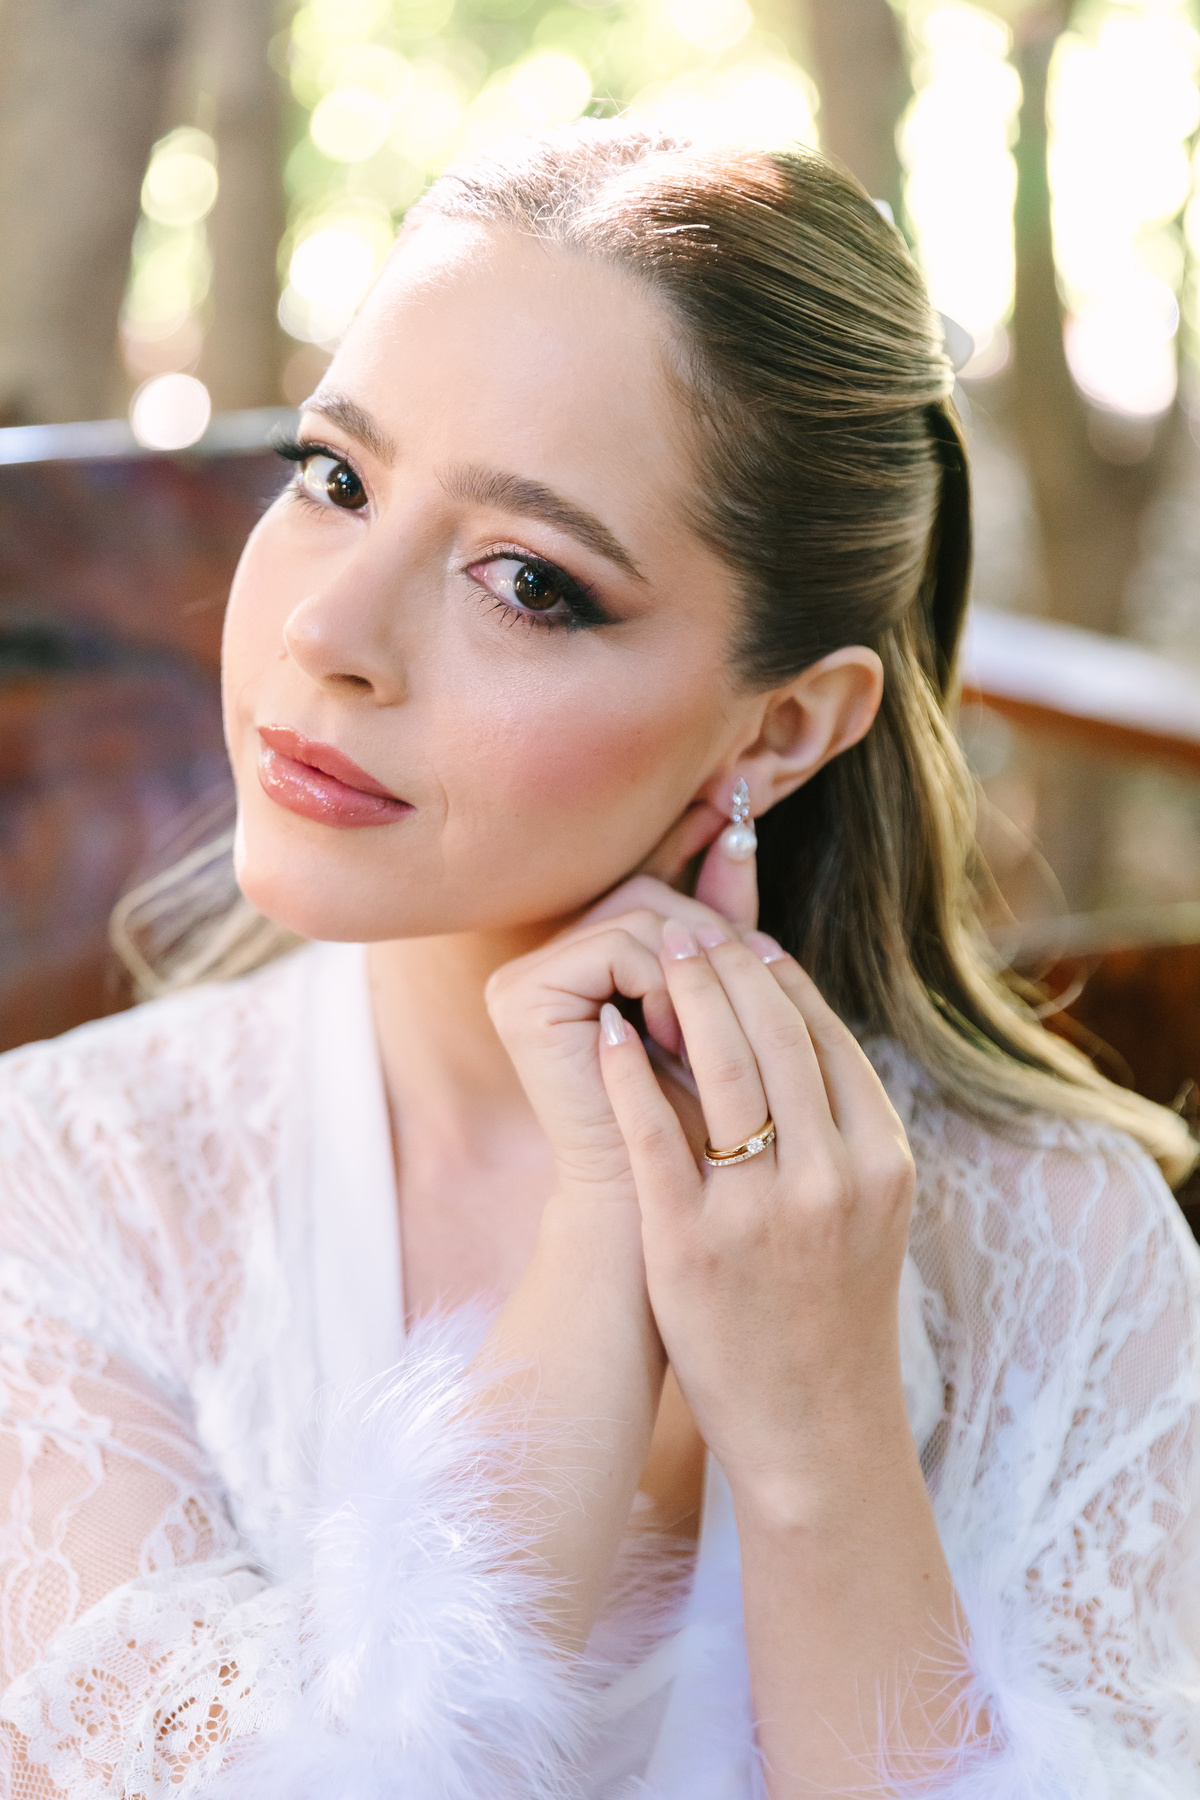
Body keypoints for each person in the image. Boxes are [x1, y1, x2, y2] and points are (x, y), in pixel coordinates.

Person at [1, 121, 1198, 1800]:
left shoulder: (1062, 1245)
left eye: (528, 582)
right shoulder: (61, 1185)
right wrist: (594, 1257)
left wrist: (817, 1441)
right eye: (335, 477)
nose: (326, 635)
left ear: (784, 728)